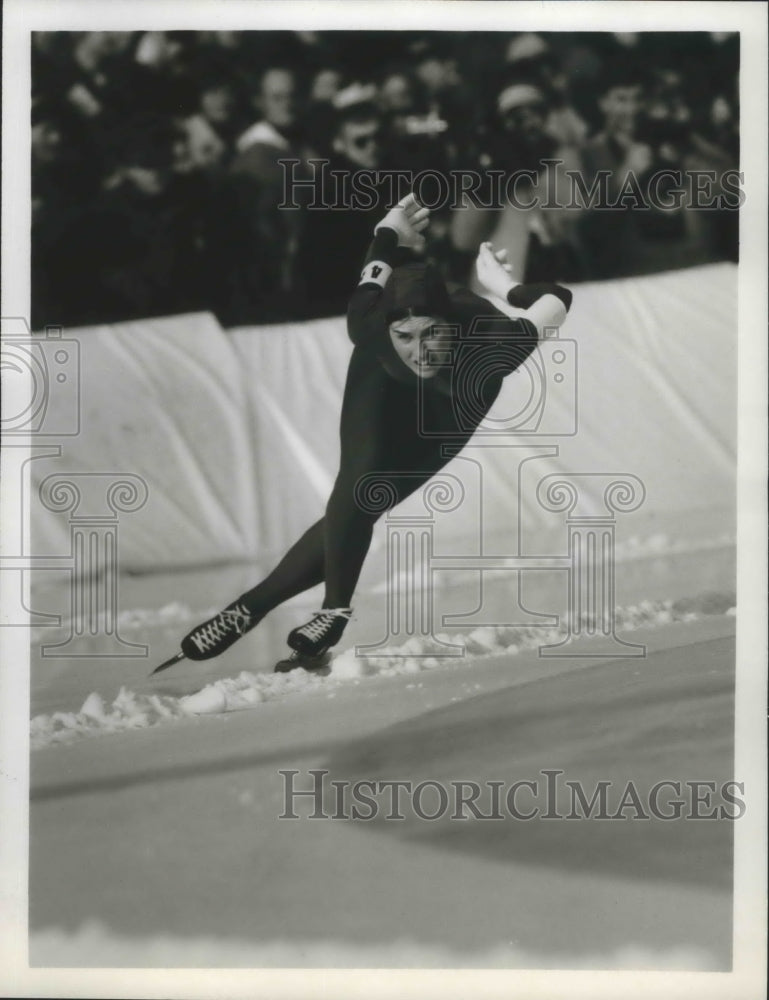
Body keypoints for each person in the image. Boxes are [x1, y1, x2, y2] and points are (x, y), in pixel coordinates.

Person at [160, 194, 572, 675]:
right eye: (407, 337)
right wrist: (387, 232)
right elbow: (377, 264)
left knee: (368, 497)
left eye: (431, 334)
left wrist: (506, 289)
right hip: (383, 378)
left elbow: (558, 299)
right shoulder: (369, 326)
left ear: (453, 329)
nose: (420, 350)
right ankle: (322, 611)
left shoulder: (493, 346)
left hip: (457, 398)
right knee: (358, 481)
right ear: (389, 329)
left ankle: (260, 604)